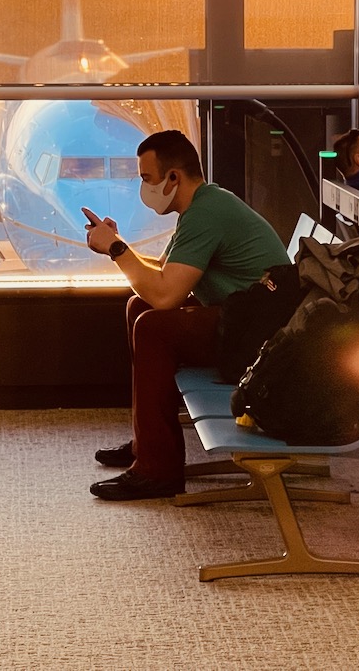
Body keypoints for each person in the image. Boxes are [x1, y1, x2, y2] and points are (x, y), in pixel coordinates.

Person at [82, 129, 288, 501]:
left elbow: (165, 295)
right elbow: (161, 278)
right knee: (138, 307)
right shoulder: (203, 206)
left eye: (147, 178)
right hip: (245, 323)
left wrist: (115, 248)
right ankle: (149, 442)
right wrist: (121, 247)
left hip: (259, 341)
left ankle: (157, 470)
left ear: (173, 177)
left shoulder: (206, 213)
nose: (143, 188)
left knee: (152, 326)